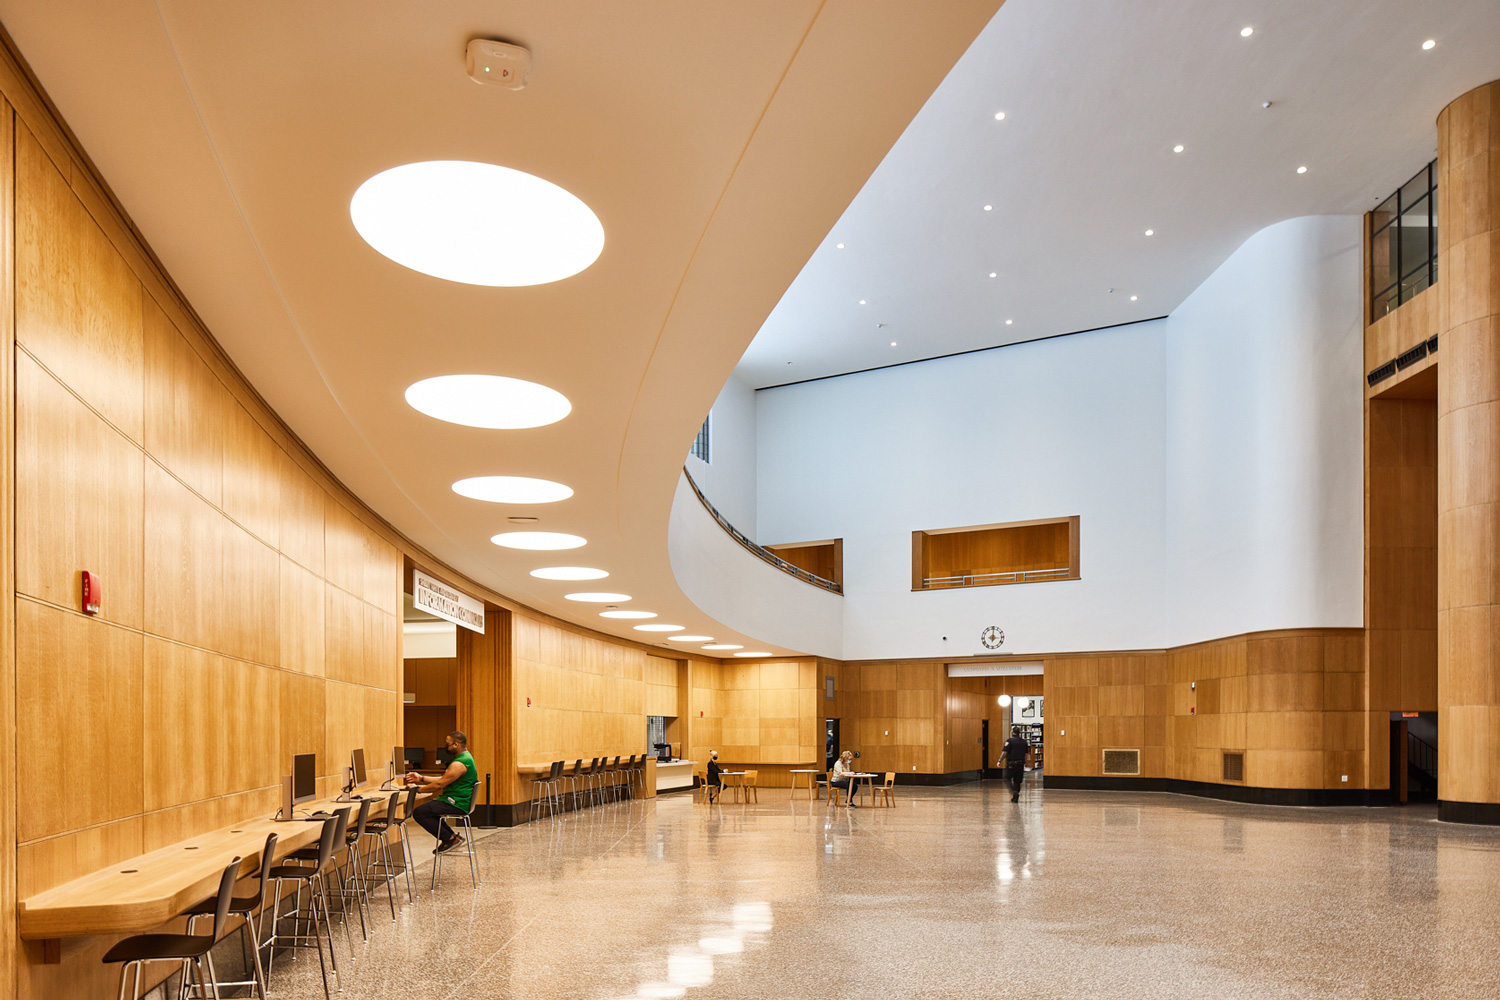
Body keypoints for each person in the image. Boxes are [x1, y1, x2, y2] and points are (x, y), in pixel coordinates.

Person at [406, 731, 477, 854]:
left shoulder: (459, 764)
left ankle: (449, 839)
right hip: (458, 800)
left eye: (448, 744)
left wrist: (418, 790)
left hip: (457, 802)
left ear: (456, 745)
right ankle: (452, 837)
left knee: (420, 812)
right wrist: (421, 778)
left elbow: (439, 784)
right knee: (430, 809)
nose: (446, 747)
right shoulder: (466, 758)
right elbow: (444, 779)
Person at [1000, 726, 1030, 802]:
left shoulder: (1009, 741)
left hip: (1011, 764)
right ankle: (1015, 797)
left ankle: (1014, 791)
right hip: (1020, 764)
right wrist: (1028, 762)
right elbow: (1027, 754)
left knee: (1007, 778)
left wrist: (999, 761)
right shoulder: (1024, 742)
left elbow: (1005, 752)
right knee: (1017, 781)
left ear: (1013, 732)